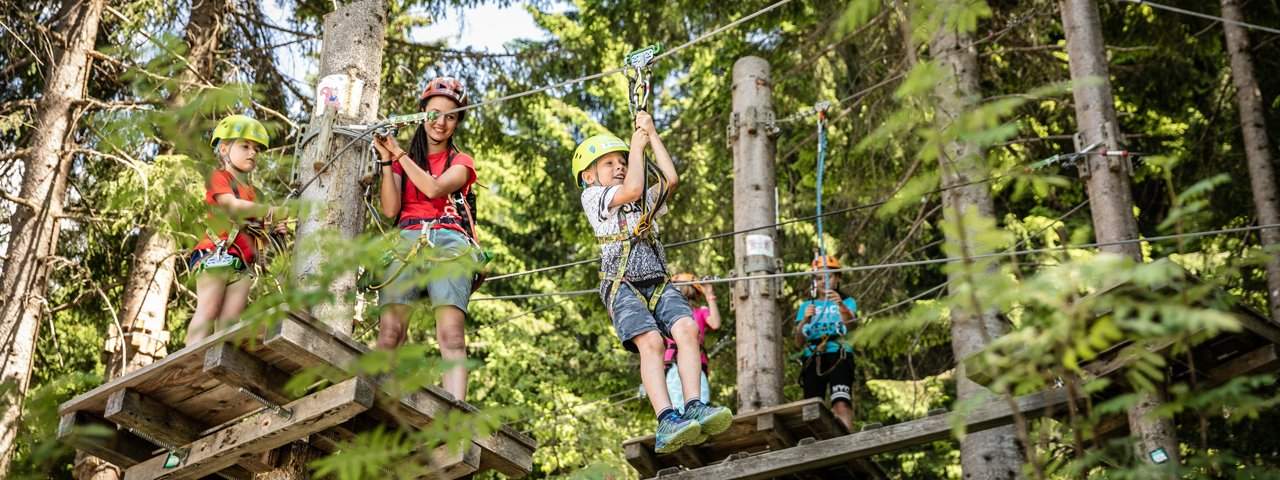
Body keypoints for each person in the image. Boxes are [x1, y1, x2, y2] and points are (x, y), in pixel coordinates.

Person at [572, 111, 732, 454]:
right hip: (622, 284)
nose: (618, 166)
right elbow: (631, 186)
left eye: (621, 161)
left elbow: (671, 180)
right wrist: (634, 147)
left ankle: (694, 405)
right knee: (652, 344)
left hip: (659, 280)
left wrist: (651, 134)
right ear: (588, 177)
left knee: (687, 329)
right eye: (609, 164)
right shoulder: (595, 198)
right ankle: (666, 419)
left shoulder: (642, 199)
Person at [370, 76, 484, 402]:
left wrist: (399, 154)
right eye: (435, 114)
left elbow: (434, 189)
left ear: (457, 122)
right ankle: (377, 400)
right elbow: (391, 208)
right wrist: (387, 160)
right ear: (422, 114)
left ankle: (456, 412)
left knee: (451, 336)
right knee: (390, 333)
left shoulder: (461, 162)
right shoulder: (401, 160)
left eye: (451, 116)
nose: (442, 123)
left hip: (449, 238)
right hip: (407, 235)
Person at [187, 114, 288, 344]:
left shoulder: (254, 194)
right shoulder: (218, 177)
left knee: (230, 322)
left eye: (256, 149)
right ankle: (190, 359)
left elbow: (256, 229)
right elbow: (232, 207)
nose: (252, 153)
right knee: (208, 310)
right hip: (215, 255)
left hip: (242, 264)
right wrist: (270, 211)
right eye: (245, 146)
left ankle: (219, 366)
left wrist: (274, 228)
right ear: (224, 149)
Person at [794, 253, 857, 431]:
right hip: (814, 356)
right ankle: (818, 444)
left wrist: (842, 308)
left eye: (828, 276)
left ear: (838, 278)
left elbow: (852, 327)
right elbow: (798, 342)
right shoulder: (807, 307)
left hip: (839, 353)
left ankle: (846, 444)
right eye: (819, 277)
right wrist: (805, 320)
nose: (824, 281)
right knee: (813, 408)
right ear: (814, 281)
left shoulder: (847, 302)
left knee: (841, 402)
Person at [663, 273, 721, 406]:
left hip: (696, 364)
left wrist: (709, 295)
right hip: (674, 364)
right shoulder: (667, 311)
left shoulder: (700, 311)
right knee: (680, 405)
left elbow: (715, 323)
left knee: (701, 404)